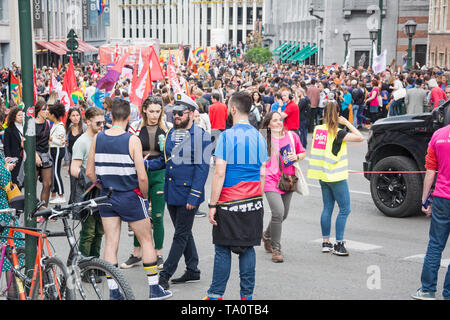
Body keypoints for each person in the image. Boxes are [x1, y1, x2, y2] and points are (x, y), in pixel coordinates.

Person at [86, 99, 172, 300]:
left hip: (107, 195)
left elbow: (90, 172)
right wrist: (143, 194)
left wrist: (103, 186)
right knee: (146, 240)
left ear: (111, 116)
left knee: (111, 243)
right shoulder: (132, 140)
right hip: (130, 194)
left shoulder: (98, 138)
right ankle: (154, 289)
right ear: (128, 117)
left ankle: (114, 292)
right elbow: (142, 176)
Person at [205, 91, 269, 300]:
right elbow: (262, 173)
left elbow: (220, 172)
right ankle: (246, 296)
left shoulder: (227, 136)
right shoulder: (259, 136)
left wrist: (212, 204)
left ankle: (216, 295)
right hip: (253, 201)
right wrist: (256, 198)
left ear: (233, 109)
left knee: (223, 248)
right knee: (248, 248)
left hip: (229, 200)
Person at [145, 93, 211, 291]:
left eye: (180, 113)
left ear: (191, 113)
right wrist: (145, 164)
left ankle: (165, 275)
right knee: (184, 231)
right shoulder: (174, 133)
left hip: (188, 194)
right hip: (172, 191)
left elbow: (202, 169)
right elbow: (166, 161)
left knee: (180, 234)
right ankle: (193, 269)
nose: (176, 116)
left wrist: (194, 196)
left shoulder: (202, 136)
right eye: (174, 113)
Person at [307, 102, 364, 256]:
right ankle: (339, 244)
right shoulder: (339, 132)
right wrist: (346, 122)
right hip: (336, 176)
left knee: (327, 207)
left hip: (322, 175)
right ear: (338, 114)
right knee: (345, 209)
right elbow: (360, 137)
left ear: (324, 114)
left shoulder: (318, 130)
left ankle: (326, 242)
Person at [122, 96, 169, 270]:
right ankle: (136, 254)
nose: (155, 115)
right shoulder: (134, 127)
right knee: (138, 216)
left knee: (157, 216)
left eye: (158, 111)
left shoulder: (167, 128)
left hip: (159, 176)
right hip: (139, 174)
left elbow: (169, 156)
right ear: (144, 111)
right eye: (151, 111)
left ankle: (159, 254)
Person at [260, 112, 306, 263]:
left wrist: (296, 157)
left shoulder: (292, 136)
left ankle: (267, 235)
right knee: (278, 212)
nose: (279, 122)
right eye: (275, 120)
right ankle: (276, 248)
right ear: (268, 124)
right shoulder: (263, 138)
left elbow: (303, 152)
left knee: (283, 215)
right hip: (270, 180)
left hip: (287, 179)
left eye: (280, 120)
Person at [411, 122, 450, 300]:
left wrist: (425, 200)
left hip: (442, 198)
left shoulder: (439, 135)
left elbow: (430, 171)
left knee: (435, 245)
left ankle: (427, 290)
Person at [70, 107, 105, 265]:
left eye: (103, 122)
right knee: (89, 232)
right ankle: (85, 267)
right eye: (98, 122)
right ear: (88, 121)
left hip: (100, 190)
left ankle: (96, 266)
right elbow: (74, 169)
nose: (102, 125)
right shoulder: (82, 142)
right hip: (88, 191)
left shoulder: (102, 138)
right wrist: (92, 178)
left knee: (99, 231)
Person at [0, 108, 23, 299]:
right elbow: (2, 176)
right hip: (2, 210)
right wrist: (6, 168)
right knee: (10, 250)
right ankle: (13, 293)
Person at [35, 99, 53, 208]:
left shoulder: (47, 123)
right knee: (32, 185)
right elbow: (25, 143)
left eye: (47, 110)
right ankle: (32, 210)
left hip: (46, 155)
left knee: (48, 184)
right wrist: (35, 156)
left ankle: (43, 210)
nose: (46, 112)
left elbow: (46, 140)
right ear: (38, 111)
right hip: (34, 155)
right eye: (44, 110)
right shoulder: (31, 123)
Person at [48, 103, 67, 204]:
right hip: (55, 150)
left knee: (56, 172)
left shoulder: (59, 127)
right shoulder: (55, 125)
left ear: (53, 115)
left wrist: (50, 138)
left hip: (58, 150)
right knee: (54, 172)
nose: (47, 114)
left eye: (49, 113)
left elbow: (61, 141)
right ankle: (56, 193)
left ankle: (61, 195)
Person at [3, 107, 24, 188]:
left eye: (22, 115)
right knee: (16, 181)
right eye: (19, 115)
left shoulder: (26, 127)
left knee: (24, 181)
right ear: (14, 116)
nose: (21, 117)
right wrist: (9, 160)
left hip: (25, 157)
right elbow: (6, 146)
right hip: (15, 158)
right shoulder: (9, 130)